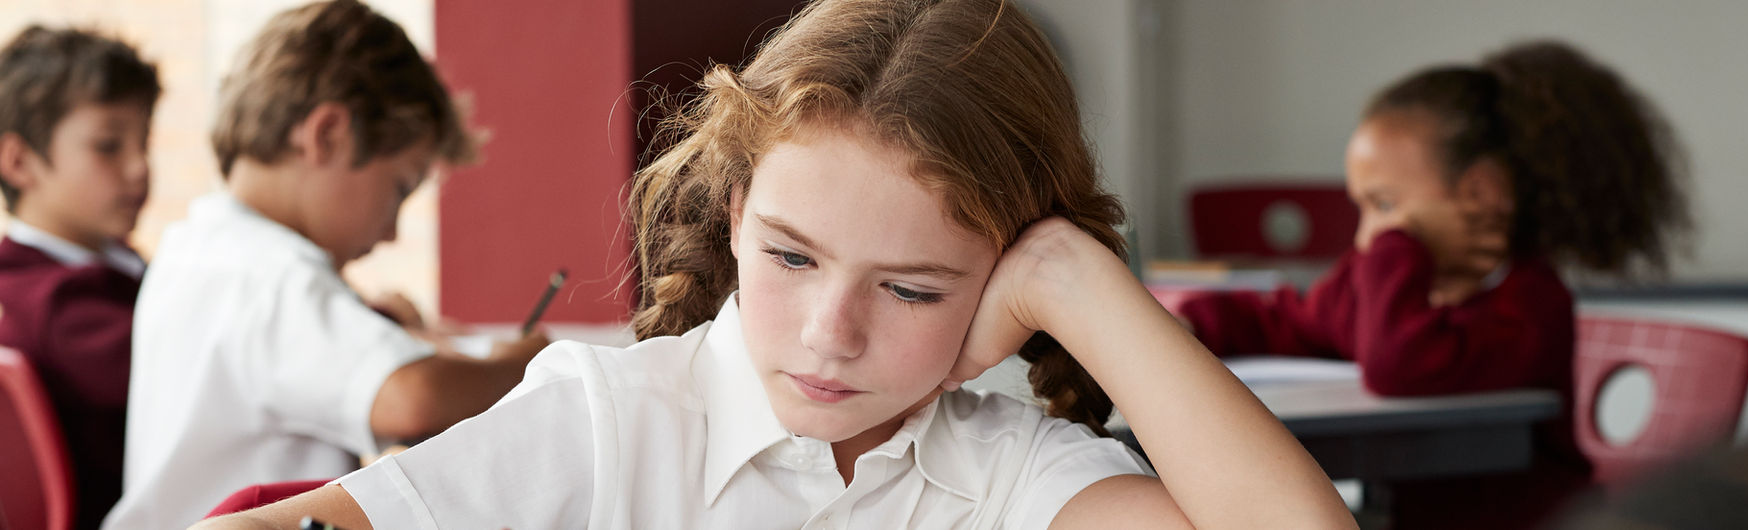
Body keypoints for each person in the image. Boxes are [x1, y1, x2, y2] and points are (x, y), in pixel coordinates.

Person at [198, 0, 1357, 528]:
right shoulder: (609, 424)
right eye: (792, 257)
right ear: (736, 208)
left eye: (911, 287)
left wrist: (1075, 276)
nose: (828, 333)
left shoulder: (1007, 474)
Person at [1164, 40, 1691, 528]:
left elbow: (1402, 365)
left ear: (1482, 192)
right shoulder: (1374, 282)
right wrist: (1186, 323)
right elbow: (1287, 323)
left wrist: (1398, 249)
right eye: (1362, 206)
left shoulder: (1528, 304)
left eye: (1385, 205)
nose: (1369, 236)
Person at [105, 2, 549, 528]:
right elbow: (413, 399)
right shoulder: (267, 274)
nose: (390, 232)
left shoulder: (198, 244)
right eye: (398, 190)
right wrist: (527, 360)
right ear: (328, 134)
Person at [0, 24, 159, 529]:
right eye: (109, 145)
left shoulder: (108, 266)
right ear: (19, 162)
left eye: (144, 142)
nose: (140, 167)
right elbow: (213, 362)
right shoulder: (54, 303)